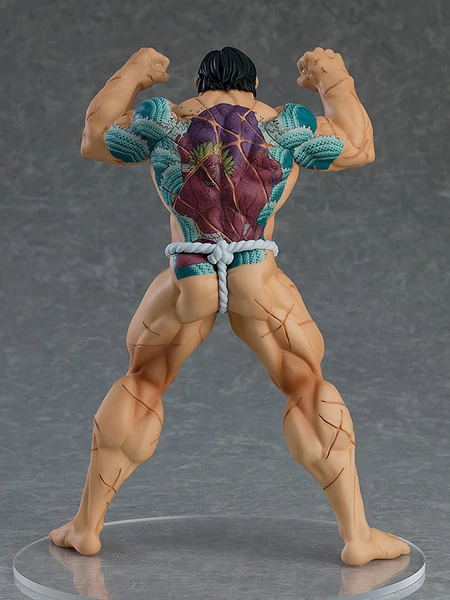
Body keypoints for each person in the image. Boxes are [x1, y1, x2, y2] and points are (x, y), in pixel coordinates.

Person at [49, 46, 410, 566]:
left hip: (189, 273)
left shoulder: (167, 121)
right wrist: (333, 79)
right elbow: (358, 146)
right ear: (254, 84)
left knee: (143, 380)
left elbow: (95, 136)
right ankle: (358, 538)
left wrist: (134, 72)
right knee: (306, 384)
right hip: (254, 275)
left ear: (200, 82)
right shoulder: (283, 128)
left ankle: (86, 527)